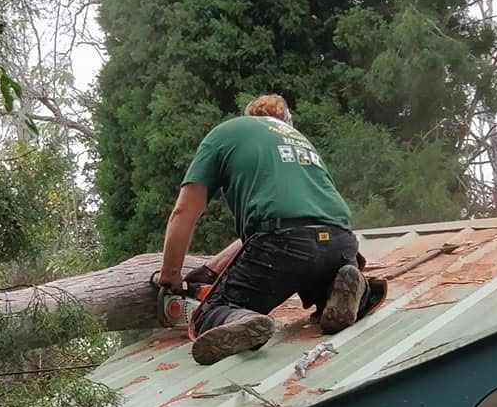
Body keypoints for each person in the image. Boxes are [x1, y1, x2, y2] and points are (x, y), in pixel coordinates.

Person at [157, 94, 368, 365]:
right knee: (319, 281)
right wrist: (211, 271)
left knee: (212, 313)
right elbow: (264, 234)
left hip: (283, 244)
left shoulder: (225, 134)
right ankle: (350, 290)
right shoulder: (299, 141)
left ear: (249, 117)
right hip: (339, 241)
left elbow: (184, 212)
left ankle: (243, 319)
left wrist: (171, 276)